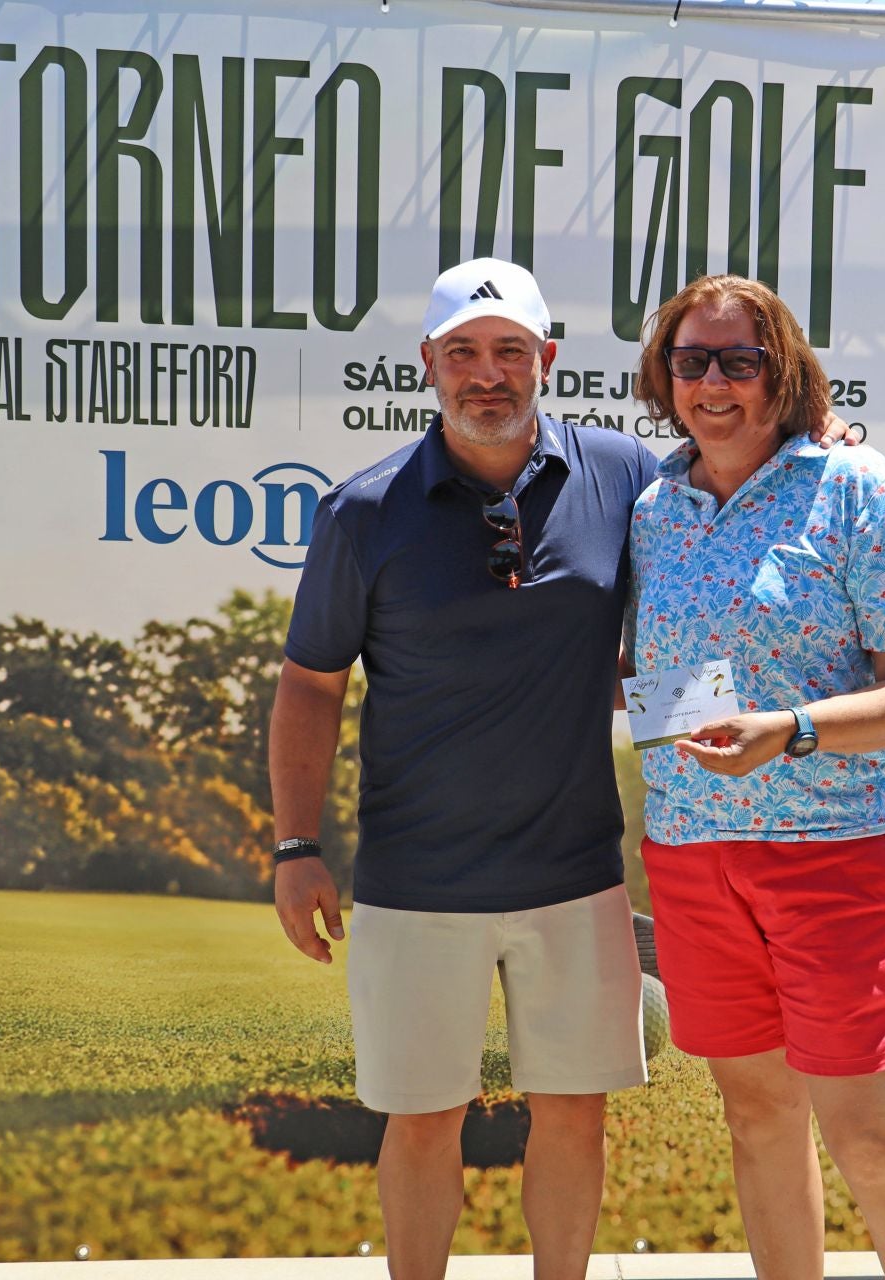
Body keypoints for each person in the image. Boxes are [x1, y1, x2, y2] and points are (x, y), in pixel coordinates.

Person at [267, 258, 659, 1280]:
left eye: (511, 352)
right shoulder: (365, 511)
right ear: (429, 365)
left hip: (576, 871)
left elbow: (730, 521)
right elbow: (311, 683)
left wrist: (827, 443)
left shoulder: (626, 475)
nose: (489, 374)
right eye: (465, 354)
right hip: (414, 880)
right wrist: (296, 845)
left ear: (548, 361)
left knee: (573, 1115)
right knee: (423, 1119)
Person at [626, 274, 885, 1280]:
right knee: (757, 1111)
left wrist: (794, 730)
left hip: (838, 854)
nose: (714, 382)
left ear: (785, 371)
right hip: (693, 854)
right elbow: (662, 685)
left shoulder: (859, 487)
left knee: (867, 1130)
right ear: (664, 376)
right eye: (692, 361)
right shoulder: (652, 507)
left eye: (741, 359)